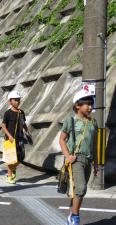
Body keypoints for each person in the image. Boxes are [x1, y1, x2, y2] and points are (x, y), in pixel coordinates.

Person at [59, 89, 98, 225]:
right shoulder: (70, 120)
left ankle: (72, 214)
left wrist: (96, 163)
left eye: (91, 104)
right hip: (76, 159)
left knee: (80, 191)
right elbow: (62, 139)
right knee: (81, 188)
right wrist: (67, 156)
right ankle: (74, 217)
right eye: (87, 104)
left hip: (88, 159)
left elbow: (94, 143)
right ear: (77, 105)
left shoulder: (93, 122)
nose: (90, 107)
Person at [1, 91, 30, 184]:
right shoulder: (7, 113)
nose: (17, 102)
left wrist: (27, 131)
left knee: (21, 157)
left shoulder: (21, 112)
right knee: (11, 158)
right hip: (10, 140)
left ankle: (12, 170)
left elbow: (23, 123)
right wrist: (9, 136)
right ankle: (9, 176)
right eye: (15, 100)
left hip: (20, 138)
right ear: (10, 101)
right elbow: (3, 125)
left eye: (18, 100)